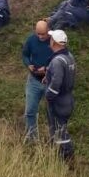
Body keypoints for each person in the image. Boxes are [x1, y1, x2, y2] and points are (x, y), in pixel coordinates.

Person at [45, 29, 77, 161]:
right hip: (68, 98)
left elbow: (56, 82)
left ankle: (66, 156)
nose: (50, 40)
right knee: (61, 127)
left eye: (51, 38)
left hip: (59, 100)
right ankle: (61, 155)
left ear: (55, 42)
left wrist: (48, 95)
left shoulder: (57, 61)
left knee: (59, 129)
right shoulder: (69, 56)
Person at [21, 20, 54, 142]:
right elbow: (24, 54)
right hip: (34, 80)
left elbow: (59, 60)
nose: (40, 37)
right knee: (30, 111)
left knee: (52, 112)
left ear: (48, 30)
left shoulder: (54, 42)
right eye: (38, 33)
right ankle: (32, 137)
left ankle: (54, 139)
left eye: (43, 34)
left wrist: (46, 69)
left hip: (49, 82)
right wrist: (28, 64)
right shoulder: (31, 40)